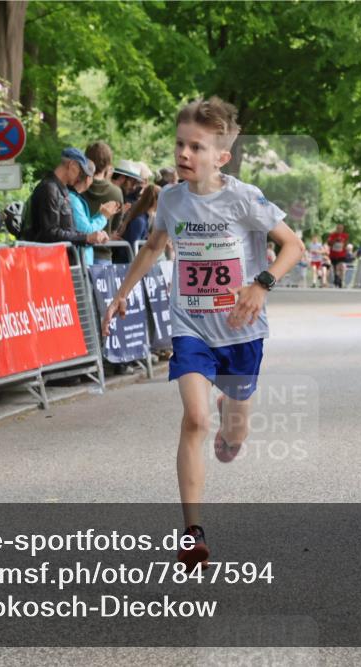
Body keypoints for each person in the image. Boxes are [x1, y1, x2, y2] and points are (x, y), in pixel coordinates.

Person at [101, 96, 304, 570]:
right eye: (179, 144)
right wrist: (121, 293)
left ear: (221, 156)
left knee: (234, 432)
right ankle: (192, 532)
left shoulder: (244, 199)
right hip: (190, 326)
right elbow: (153, 247)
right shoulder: (171, 198)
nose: (184, 154)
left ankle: (231, 421)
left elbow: (291, 246)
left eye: (196, 147)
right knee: (195, 419)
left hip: (240, 329)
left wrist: (262, 284)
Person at [24, 147, 109, 251]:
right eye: (81, 172)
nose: (80, 178)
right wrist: (86, 237)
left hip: (58, 258)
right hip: (48, 260)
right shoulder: (49, 189)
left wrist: (92, 237)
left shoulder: (60, 190)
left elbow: (68, 230)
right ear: (72, 166)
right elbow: (50, 233)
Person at [70, 158, 119, 266]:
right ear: (88, 179)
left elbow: (85, 226)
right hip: (79, 262)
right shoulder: (73, 199)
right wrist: (104, 216)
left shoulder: (74, 198)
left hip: (83, 260)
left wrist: (99, 214)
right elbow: (87, 231)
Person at [82, 141, 124, 265]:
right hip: (103, 253)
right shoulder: (116, 192)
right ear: (108, 163)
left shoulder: (78, 188)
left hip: (78, 252)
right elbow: (116, 226)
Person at [327, 223, 350, 287]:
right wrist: (335, 240)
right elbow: (329, 243)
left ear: (343, 229)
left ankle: (340, 280)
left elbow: (345, 244)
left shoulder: (345, 235)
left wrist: (343, 245)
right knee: (335, 268)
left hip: (341, 254)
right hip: (333, 254)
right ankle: (336, 278)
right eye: (338, 228)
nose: (340, 230)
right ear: (336, 229)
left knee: (341, 266)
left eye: (341, 228)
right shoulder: (332, 235)